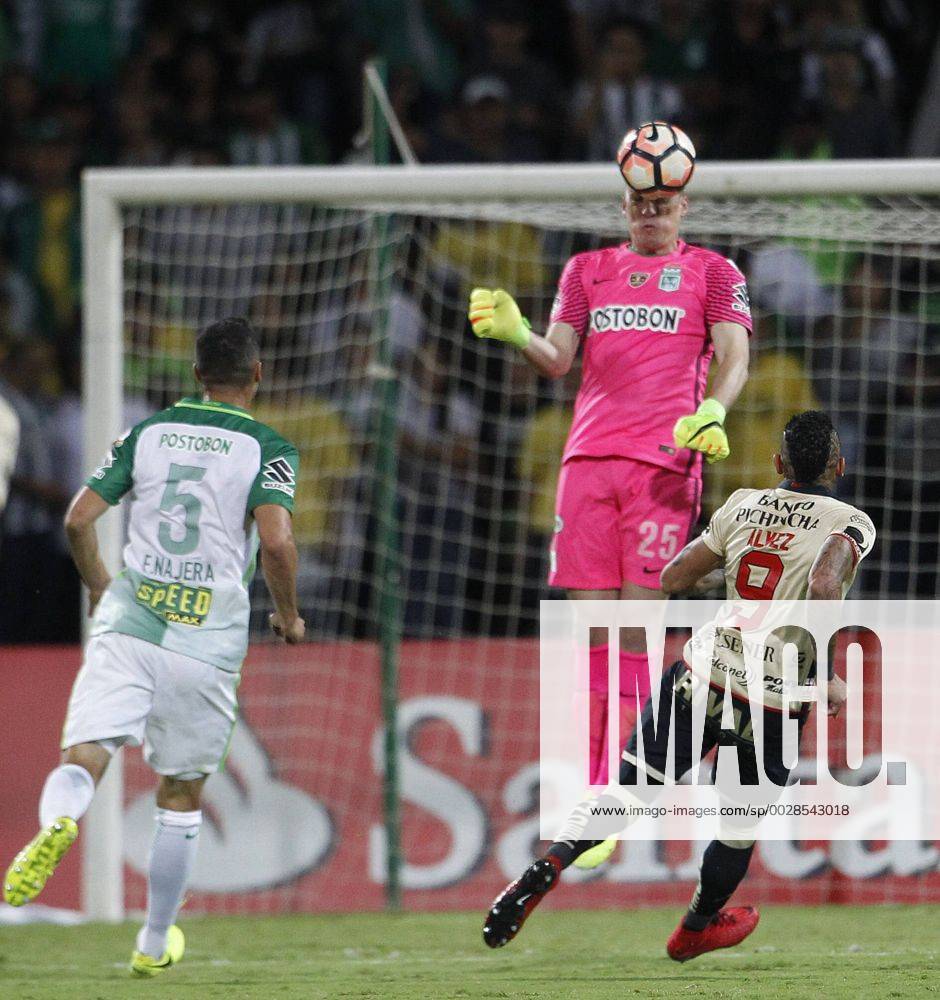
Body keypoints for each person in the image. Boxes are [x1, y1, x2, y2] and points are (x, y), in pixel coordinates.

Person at [483, 411, 876, 961]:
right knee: (738, 825)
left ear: (778, 464)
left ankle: (554, 859)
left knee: (627, 791)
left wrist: (728, 572)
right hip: (770, 698)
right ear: (839, 465)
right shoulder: (850, 522)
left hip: (703, 672)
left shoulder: (742, 504)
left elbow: (670, 579)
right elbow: (824, 580)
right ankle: (695, 925)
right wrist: (826, 673)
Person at [2, 318, 304, 978]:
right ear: (257, 375)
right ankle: (153, 940)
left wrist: (98, 586)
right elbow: (277, 542)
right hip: (206, 643)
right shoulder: (269, 446)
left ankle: (59, 822)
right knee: (180, 792)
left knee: (85, 754)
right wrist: (289, 615)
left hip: (131, 620)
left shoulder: (149, 432)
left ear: (195, 376)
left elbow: (79, 518)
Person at [468, 121, 751, 784]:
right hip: (587, 463)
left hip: (663, 467)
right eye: (639, 204)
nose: (650, 213)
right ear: (623, 206)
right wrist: (518, 334)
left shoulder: (713, 272)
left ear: (683, 205)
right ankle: (598, 782)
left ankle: (625, 782)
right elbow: (557, 360)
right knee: (591, 633)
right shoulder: (586, 271)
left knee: (634, 631)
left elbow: (736, 353)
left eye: (662, 204)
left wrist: (714, 408)